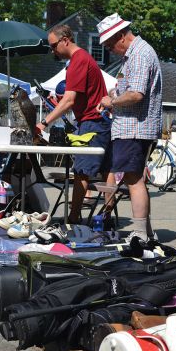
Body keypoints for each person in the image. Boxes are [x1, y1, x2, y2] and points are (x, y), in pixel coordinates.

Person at [36, 24, 115, 224]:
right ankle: (106, 218)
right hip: (101, 122)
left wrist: (43, 123)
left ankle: (73, 220)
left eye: (53, 46)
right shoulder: (84, 59)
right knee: (107, 171)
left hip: (92, 123)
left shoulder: (78, 60)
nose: (53, 50)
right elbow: (75, 100)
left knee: (81, 172)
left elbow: (69, 100)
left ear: (65, 40)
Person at [96, 13, 163, 243]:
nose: (109, 49)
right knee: (136, 180)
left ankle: (140, 234)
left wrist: (111, 101)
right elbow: (128, 88)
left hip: (135, 128)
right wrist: (114, 95)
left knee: (133, 179)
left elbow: (136, 94)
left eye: (109, 44)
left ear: (121, 36)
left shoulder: (140, 55)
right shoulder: (133, 55)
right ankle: (147, 232)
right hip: (132, 127)